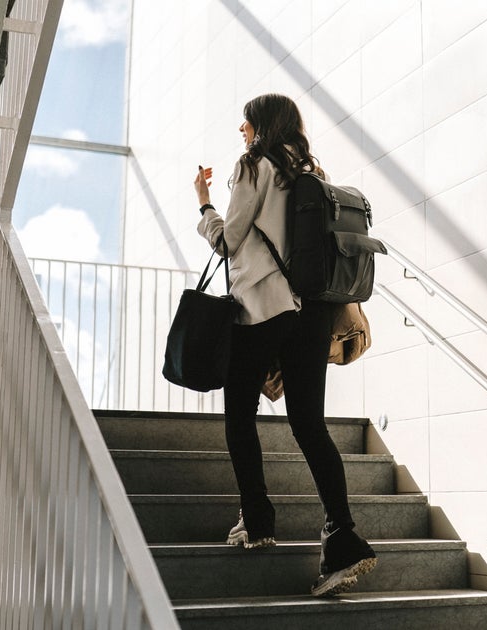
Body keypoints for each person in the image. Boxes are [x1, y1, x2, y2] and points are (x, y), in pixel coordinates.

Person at [192, 93, 377, 597]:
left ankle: (257, 520)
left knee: (238, 415)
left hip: (264, 310)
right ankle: (341, 536)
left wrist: (204, 203)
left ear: (261, 127)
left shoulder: (254, 166)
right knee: (308, 424)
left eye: (246, 122)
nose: (241, 130)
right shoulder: (306, 171)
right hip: (311, 313)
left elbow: (228, 240)